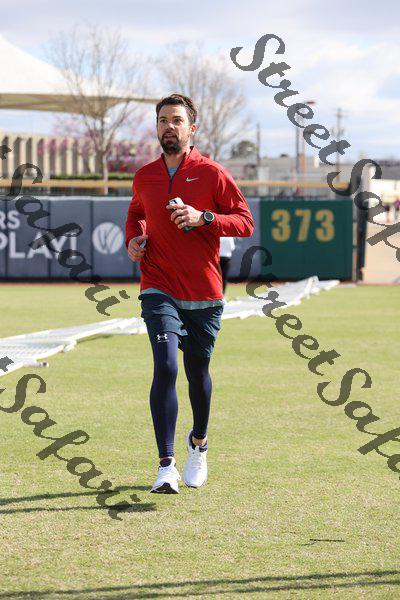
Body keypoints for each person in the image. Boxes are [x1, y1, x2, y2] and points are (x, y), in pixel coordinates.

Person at [125, 93, 254, 494]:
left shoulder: (213, 173)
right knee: (166, 367)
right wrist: (133, 239)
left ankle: (198, 443)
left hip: (204, 291)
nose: (169, 126)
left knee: (197, 372)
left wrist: (205, 218)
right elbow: (136, 213)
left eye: (177, 120)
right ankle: (166, 466)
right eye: (163, 120)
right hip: (158, 285)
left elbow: (245, 222)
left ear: (191, 128)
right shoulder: (144, 175)